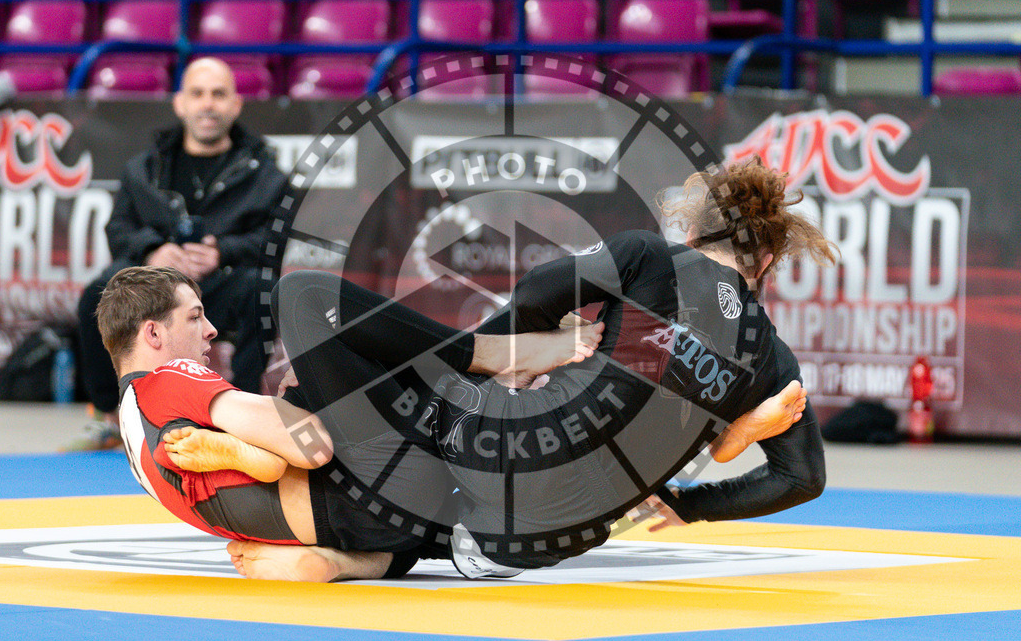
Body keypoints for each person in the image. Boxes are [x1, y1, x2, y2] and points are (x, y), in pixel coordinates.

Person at [177, 157, 831, 580]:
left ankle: (317, 453)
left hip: (493, 446)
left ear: (697, 233)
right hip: (559, 535)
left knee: (307, 297)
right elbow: (800, 479)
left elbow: (536, 292)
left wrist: (498, 364)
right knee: (432, 462)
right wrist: (689, 505)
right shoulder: (773, 356)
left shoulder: (649, 255)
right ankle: (393, 548)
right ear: (768, 263)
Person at [98, 265, 609, 580]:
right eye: (194, 317)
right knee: (301, 296)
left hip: (379, 532)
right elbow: (310, 446)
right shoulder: (164, 382)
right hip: (375, 480)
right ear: (153, 335)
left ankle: (351, 564)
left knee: (403, 367)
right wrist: (298, 398)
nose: (210, 330)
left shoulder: (134, 441)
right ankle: (498, 356)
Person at [70, 57, 289, 451]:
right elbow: (118, 231)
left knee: (263, 289)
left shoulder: (267, 176)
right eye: (198, 94)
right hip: (153, 291)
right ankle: (109, 416)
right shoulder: (143, 169)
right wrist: (153, 252)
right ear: (180, 103)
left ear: (236, 105)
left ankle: (237, 419)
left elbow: (275, 242)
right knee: (96, 295)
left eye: (219, 94)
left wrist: (222, 251)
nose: (208, 104)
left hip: (220, 287)